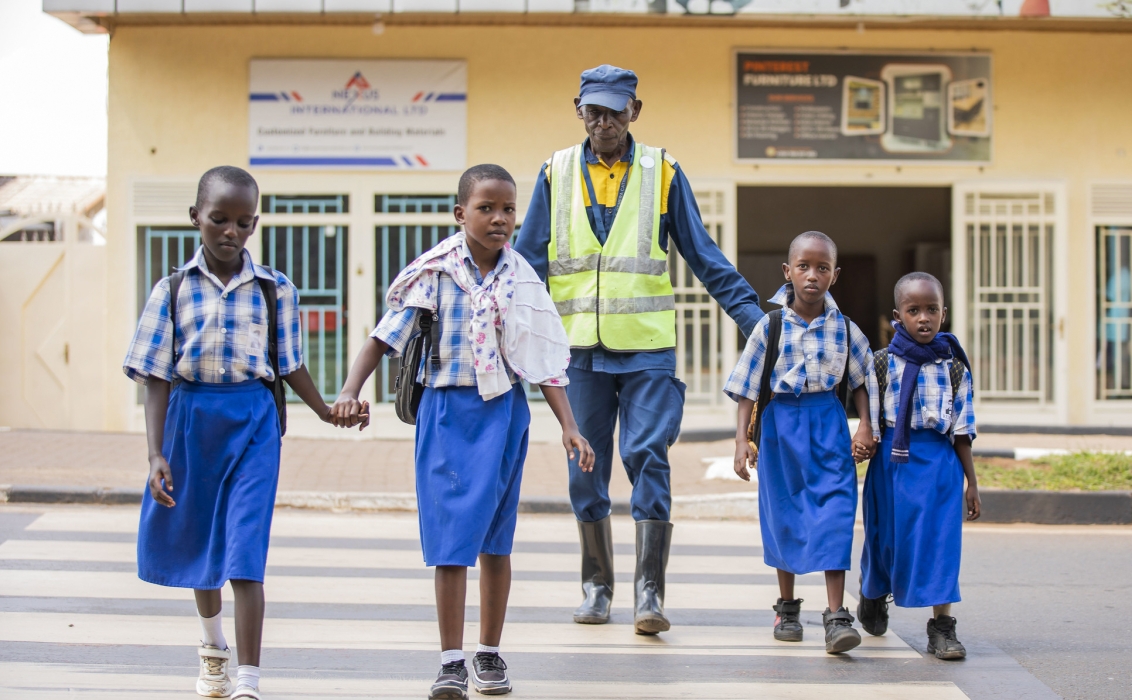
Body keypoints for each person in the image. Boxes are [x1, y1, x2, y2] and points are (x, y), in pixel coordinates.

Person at [331, 165, 594, 700]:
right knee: (450, 544)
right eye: (486, 208)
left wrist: (569, 425)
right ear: (460, 214)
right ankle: (451, 661)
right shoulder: (434, 273)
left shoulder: (521, 278)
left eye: (508, 210)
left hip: (504, 416)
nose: (499, 219)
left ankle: (489, 653)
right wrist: (350, 389)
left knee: (497, 541)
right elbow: (384, 337)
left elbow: (541, 358)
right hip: (446, 415)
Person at [516, 64, 763, 634]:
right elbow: (527, 260)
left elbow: (704, 255)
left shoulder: (663, 171)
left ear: (635, 111)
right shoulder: (554, 172)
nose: (604, 122)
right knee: (586, 467)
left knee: (648, 456)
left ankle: (648, 593)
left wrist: (757, 322)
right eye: (593, 111)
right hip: (576, 351)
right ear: (578, 108)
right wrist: (515, 331)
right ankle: (596, 586)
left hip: (648, 349)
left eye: (615, 111)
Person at [123, 166, 352, 700]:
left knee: (245, 549)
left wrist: (323, 410)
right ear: (195, 218)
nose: (231, 231)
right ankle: (212, 650)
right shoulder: (171, 290)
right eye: (219, 219)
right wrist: (156, 453)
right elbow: (156, 376)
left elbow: (291, 365)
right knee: (204, 543)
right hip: (191, 420)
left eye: (243, 223)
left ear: (254, 224)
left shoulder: (276, 290)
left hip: (253, 422)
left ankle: (248, 680)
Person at [727, 231, 876, 654]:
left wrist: (865, 425)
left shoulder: (846, 329)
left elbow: (863, 379)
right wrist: (742, 441)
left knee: (836, 511)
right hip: (780, 428)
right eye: (804, 267)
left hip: (827, 419)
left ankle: (835, 616)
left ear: (835, 275)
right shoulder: (768, 326)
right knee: (784, 513)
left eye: (823, 267)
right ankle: (788, 608)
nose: (812, 275)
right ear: (787, 271)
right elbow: (747, 388)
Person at [858, 271, 982, 660]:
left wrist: (971, 483)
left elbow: (962, 431)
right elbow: (871, 421)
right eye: (914, 310)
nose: (924, 318)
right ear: (898, 316)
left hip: (940, 467)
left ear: (944, 314)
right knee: (887, 541)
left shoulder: (956, 368)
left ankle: (942, 629)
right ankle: (874, 592)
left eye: (932, 310)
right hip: (892, 465)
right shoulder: (880, 364)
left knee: (940, 544)